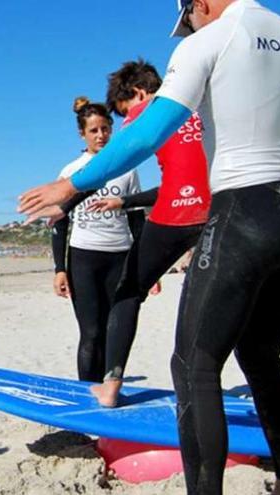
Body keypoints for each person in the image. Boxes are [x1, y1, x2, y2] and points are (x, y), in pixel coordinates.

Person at [19, 2, 280, 493]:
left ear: (198, 4)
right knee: (263, 356)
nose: (190, 28)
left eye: (189, 19)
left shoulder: (210, 38)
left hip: (245, 210)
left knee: (193, 365)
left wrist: (74, 185)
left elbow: (150, 129)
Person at [85, 59, 210, 408]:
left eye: (125, 110)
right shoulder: (200, 107)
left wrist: (64, 199)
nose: (126, 119)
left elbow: (109, 162)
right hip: (217, 211)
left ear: (139, 93)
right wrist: (124, 201)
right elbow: (184, 178)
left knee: (127, 291)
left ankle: (110, 387)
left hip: (174, 216)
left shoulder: (151, 112)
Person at [50, 97, 143, 383]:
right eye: (94, 130)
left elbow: (137, 218)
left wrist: (144, 263)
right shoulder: (71, 172)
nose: (101, 135)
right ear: (82, 134)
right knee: (91, 332)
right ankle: (86, 394)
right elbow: (59, 223)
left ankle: (110, 389)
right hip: (84, 259)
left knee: (114, 332)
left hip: (121, 257)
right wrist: (59, 268)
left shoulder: (127, 168)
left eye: (105, 129)